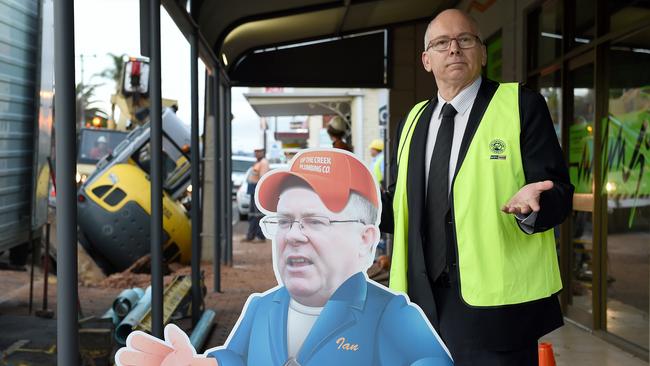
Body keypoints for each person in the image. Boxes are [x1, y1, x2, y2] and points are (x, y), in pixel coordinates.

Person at [116, 148, 453, 366]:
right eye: (284, 221)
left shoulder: (389, 315)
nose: (292, 235)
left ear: (365, 240)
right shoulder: (263, 307)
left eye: (316, 221)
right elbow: (237, 357)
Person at [380, 9, 574, 365]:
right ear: (426, 60)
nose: (453, 49)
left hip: (498, 311)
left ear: (482, 52)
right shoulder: (411, 121)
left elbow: (559, 191)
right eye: (441, 43)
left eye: (464, 40)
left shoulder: (520, 105)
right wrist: (356, 207)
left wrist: (536, 206)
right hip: (422, 304)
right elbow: (400, 205)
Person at [245, 147, 269, 241]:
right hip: (253, 189)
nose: (256, 153)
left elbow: (262, 178)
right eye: (255, 152)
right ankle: (252, 234)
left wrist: (259, 191)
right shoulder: (258, 162)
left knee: (257, 214)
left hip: (256, 189)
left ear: (262, 152)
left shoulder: (263, 163)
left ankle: (258, 235)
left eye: (258, 152)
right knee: (253, 213)